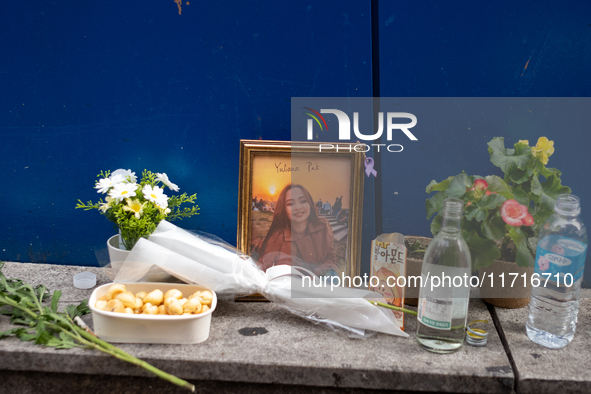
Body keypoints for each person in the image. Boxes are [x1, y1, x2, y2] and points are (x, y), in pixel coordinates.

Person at [255, 184, 338, 276]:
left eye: (303, 201)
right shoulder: (276, 237)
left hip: (318, 281)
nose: (298, 207)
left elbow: (330, 257)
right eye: (290, 204)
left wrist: (315, 274)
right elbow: (264, 271)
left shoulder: (322, 227)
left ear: (309, 204)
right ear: (283, 209)